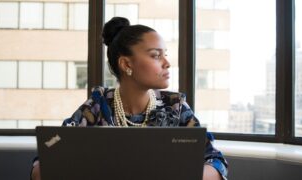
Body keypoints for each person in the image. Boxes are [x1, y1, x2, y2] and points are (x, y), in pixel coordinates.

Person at [31, 16, 228, 180]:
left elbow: (216, 162)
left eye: (164, 55)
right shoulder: (97, 105)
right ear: (126, 64)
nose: (167, 63)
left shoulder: (175, 106)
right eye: (155, 55)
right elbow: (44, 162)